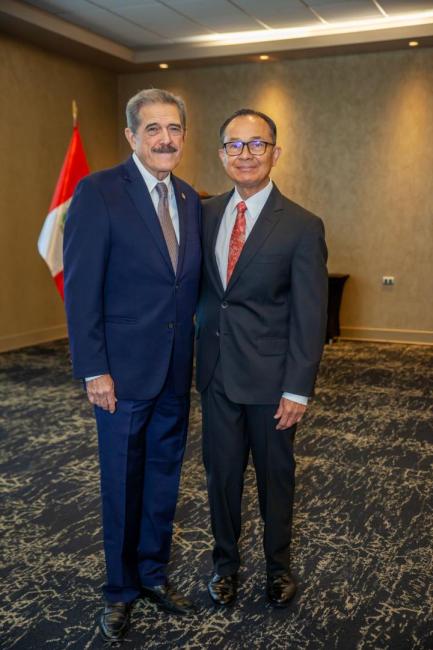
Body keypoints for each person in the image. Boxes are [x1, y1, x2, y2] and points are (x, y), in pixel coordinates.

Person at [63, 89, 201, 642]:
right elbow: (81, 290)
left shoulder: (189, 197)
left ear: (184, 136)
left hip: (175, 369)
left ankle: (153, 575)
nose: (165, 139)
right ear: (131, 136)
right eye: (153, 129)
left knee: (164, 477)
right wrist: (94, 369)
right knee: (122, 481)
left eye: (174, 128)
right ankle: (119, 590)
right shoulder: (98, 192)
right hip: (119, 374)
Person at [196, 109, 328, 608]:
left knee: (276, 481)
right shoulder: (204, 215)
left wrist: (298, 389)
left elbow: (310, 315)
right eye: (235, 144)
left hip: (273, 383)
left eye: (257, 144)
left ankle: (278, 567)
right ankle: (225, 565)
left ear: (276, 153)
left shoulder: (301, 225)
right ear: (221, 154)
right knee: (221, 478)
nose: (245, 154)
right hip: (216, 375)